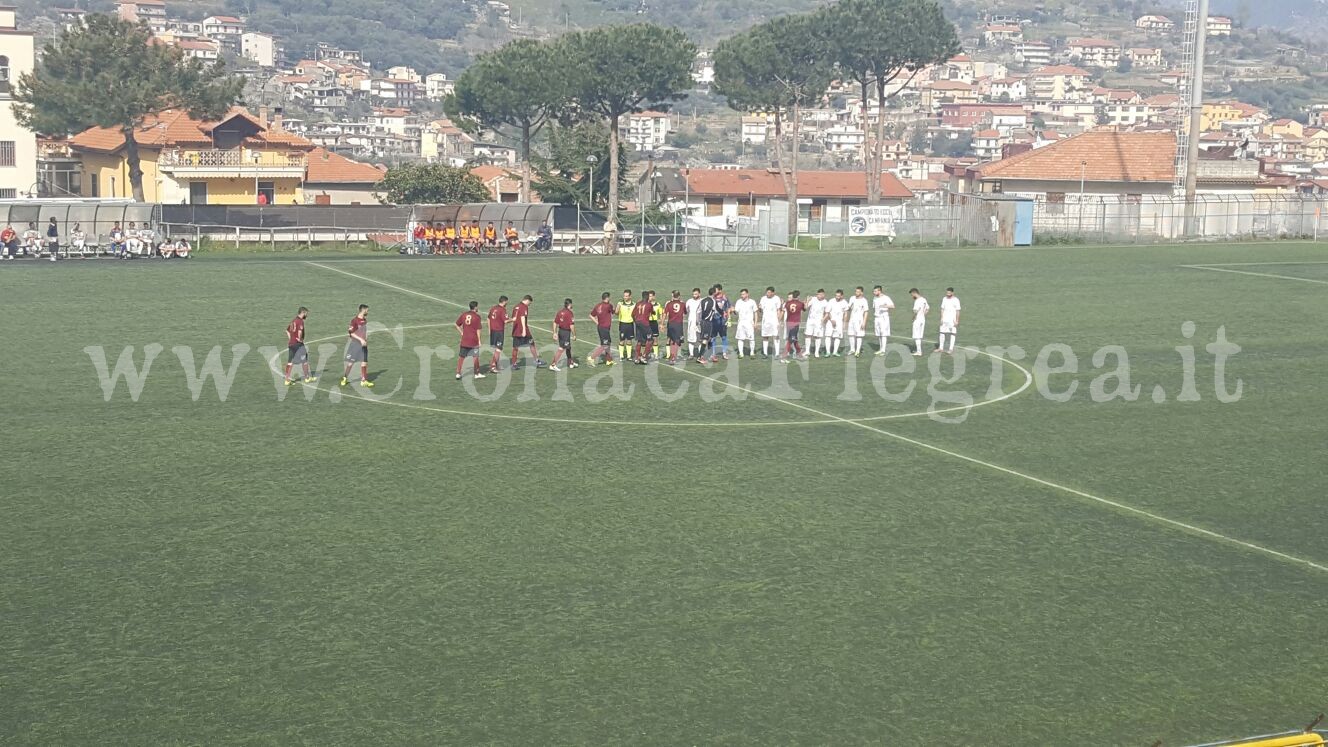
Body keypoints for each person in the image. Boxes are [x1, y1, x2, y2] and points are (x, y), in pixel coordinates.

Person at [339, 304, 374, 387]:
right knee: (351, 363)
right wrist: (361, 340)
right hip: (355, 345)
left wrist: (365, 340)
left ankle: (363, 380)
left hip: (363, 345)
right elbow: (351, 333)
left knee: (364, 363)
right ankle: (345, 378)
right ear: (363, 310)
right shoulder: (354, 321)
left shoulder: (365, 320)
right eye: (367, 310)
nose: (367, 312)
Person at [455, 301, 487, 380]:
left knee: (461, 357)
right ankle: (477, 373)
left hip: (465, 340)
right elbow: (478, 330)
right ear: (475, 307)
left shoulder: (464, 314)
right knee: (475, 357)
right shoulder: (477, 317)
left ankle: (458, 373)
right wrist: (479, 341)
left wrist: (462, 332)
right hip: (473, 341)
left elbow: (456, 324)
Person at [284, 306, 316, 385]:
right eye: (306, 314)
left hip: (291, 344)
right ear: (303, 313)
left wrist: (291, 339)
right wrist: (299, 339)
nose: (306, 316)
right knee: (304, 360)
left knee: (290, 362)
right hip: (298, 344)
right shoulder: (300, 321)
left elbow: (287, 331)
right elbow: (299, 332)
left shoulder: (293, 321)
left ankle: (287, 380)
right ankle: (307, 378)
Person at [508, 295, 540, 370]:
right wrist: (524, 330)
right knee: (532, 344)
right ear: (527, 300)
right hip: (523, 330)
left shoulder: (516, 306)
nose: (529, 305)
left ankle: (514, 363)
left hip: (516, 330)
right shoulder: (524, 307)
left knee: (515, 347)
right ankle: (536, 360)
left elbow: (513, 318)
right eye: (530, 303)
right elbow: (522, 317)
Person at [549, 298, 579, 371]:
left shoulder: (560, 312)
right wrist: (574, 335)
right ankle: (553, 364)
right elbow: (571, 325)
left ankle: (570, 362)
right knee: (561, 348)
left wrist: (554, 332)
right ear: (570, 304)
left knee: (568, 347)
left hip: (560, 332)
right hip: (566, 333)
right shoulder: (570, 313)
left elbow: (555, 322)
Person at [587, 292, 616, 367]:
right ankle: (591, 358)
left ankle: (609, 360)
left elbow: (591, 315)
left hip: (600, 327)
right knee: (605, 345)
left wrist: (597, 322)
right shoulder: (608, 305)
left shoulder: (598, 306)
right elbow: (614, 312)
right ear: (607, 298)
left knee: (608, 343)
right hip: (605, 328)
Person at [758, 286, 783, 359]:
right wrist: (760, 308)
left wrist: (779, 321)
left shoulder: (776, 298)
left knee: (776, 336)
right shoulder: (763, 298)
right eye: (767, 292)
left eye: (769, 292)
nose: (767, 294)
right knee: (765, 336)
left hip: (774, 321)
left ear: (773, 293)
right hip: (765, 321)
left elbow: (778, 310)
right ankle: (765, 353)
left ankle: (777, 353)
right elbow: (761, 310)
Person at [486, 295, 510, 372]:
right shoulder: (502, 309)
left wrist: (489, 329)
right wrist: (513, 319)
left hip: (493, 331)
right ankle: (493, 366)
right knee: (498, 349)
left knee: (497, 348)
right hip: (499, 331)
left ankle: (497, 364)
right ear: (504, 301)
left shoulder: (493, 308)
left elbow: (488, 318)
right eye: (507, 302)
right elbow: (506, 321)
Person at [696, 287, 719, 364]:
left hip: (702, 321)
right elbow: (715, 312)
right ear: (714, 293)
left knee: (710, 338)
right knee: (705, 339)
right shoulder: (713, 301)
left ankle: (711, 355)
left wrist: (698, 321)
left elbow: (698, 311)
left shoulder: (702, 300)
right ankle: (700, 357)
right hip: (707, 322)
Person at [732, 288, 758, 359]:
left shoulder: (752, 302)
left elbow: (755, 313)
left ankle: (752, 353)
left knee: (751, 338)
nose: (742, 296)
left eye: (743, 294)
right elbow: (736, 312)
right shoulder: (739, 302)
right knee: (740, 338)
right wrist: (733, 310)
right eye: (741, 294)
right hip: (741, 323)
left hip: (749, 323)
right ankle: (741, 353)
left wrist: (755, 323)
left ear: (747, 294)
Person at [663, 290, 686, 365]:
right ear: (679, 296)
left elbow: (665, 314)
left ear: (673, 296)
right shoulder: (682, 304)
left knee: (672, 340)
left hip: (670, 324)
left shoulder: (669, 304)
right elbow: (685, 312)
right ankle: (673, 357)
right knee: (677, 341)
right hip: (678, 324)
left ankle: (671, 356)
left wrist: (661, 323)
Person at [936, 287, 961, 354]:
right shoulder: (944, 299)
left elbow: (958, 311)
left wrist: (957, 320)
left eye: (949, 293)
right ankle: (941, 348)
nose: (947, 294)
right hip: (944, 319)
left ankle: (950, 349)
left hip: (952, 320)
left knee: (952, 334)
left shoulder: (956, 300)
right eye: (947, 293)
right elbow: (942, 309)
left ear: (952, 293)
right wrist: (941, 318)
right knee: (942, 333)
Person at [846, 287, 870, 357]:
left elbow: (866, 312)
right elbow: (849, 308)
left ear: (861, 293)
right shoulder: (852, 298)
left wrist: (864, 322)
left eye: (858, 292)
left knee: (859, 335)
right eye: (856, 291)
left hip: (859, 320)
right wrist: (848, 307)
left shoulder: (864, 301)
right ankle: (852, 349)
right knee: (851, 334)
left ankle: (857, 351)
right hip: (852, 319)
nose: (856, 293)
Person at [825, 289, 850, 357]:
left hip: (839, 322)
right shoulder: (831, 301)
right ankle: (827, 352)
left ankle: (835, 352)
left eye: (838, 296)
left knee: (838, 337)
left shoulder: (845, 303)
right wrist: (832, 320)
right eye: (836, 295)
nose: (837, 297)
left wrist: (844, 323)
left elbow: (845, 314)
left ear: (842, 296)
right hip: (830, 322)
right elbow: (827, 311)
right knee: (828, 336)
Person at [631, 290, 654, 364]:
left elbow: (632, 314)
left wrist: (635, 321)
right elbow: (652, 312)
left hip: (637, 323)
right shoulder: (649, 304)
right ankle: (644, 357)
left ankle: (637, 358)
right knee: (650, 340)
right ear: (647, 297)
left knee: (639, 340)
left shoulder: (637, 304)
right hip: (645, 324)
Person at [871, 285, 895, 356]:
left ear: (879, 291)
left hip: (883, 318)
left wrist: (884, 306)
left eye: (875, 291)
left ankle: (883, 350)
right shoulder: (875, 298)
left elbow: (892, 306)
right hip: (877, 317)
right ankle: (880, 349)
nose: (874, 292)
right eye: (874, 291)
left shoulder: (886, 298)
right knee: (879, 334)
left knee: (883, 333)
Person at [782, 291, 806, 362]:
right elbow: (805, 309)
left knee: (794, 339)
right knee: (791, 340)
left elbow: (786, 308)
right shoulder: (800, 303)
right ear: (798, 296)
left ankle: (799, 354)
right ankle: (784, 356)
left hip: (789, 322)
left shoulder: (787, 303)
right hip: (795, 323)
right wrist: (806, 302)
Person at [805, 289, 828, 358]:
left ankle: (816, 352)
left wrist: (823, 320)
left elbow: (827, 313)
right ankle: (807, 351)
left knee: (817, 336)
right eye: (817, 294)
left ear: (823, 295)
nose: (817, 295)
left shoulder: (825, 302)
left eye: (819, 294)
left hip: (818, 322)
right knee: (808, 335)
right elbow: (805, 308)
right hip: (810, 320)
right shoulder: (813, 299)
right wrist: (807, 301)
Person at [614, 289, 635, 362]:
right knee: (622, 340)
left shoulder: (634, 304)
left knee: (629, 340)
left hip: (630, 324)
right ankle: (621, 356)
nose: (625, 297)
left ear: (630, 296)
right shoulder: (620, 303)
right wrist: (617, 310)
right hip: (623, 324)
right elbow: (616, 313)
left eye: (626, 296)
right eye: (624, 296)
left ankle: (629, 356)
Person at [711, 285, 731, 360]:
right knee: (713, 337)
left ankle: (724, 353)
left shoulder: (725, 298)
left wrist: (728, 317)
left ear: (719, 290)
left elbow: (729, 307)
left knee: (724, 337)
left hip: (722, 321)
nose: (714, 291)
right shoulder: (712, 298)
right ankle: (713, 353)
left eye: (715, 290)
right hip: (714, 320)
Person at [684, 288, 704, 360]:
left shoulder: (702, 301)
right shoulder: (689, 301)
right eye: (693, 294)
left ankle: (700, 354)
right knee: (691, 339)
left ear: (699, 294)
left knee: (700, 339)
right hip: (691, 322)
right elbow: (685, 310)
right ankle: (691, 354)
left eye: (696, 294)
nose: (694, 295)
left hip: (700, 323)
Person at [909, 288, 929, 357]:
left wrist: (913, 317)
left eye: (912, 294)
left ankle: (919, 352)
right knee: (919, 336)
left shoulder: (917, 301)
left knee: (916, 336)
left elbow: (915, 311)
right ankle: (918, 350)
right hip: (922, 319)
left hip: (917, 320)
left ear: (914, 293)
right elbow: (927, 309)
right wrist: (923, 315)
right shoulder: (924, 299)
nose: (912, 296)